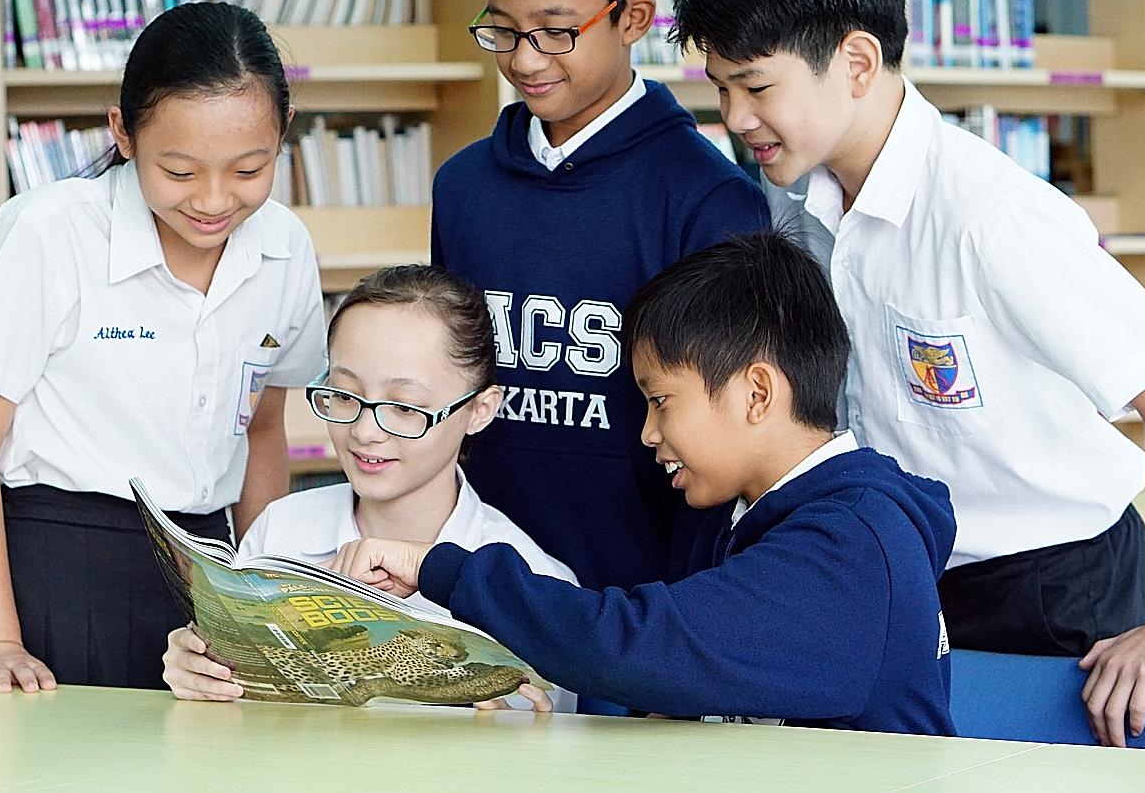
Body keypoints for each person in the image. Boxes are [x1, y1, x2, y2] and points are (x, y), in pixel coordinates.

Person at [673, 0, 1145, 747]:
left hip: (1063, 594)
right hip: (916, 578)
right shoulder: (800, 203)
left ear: (858, 61)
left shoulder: (989, 215)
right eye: (721, 89)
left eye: (757, 87)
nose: (734, 119)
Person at [330, 234, 957, 735]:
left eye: (660, 402)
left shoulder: (852, 549)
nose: (648, 434)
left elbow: (639, 644)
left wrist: (442, 571)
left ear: (756, 393)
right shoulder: (734, 515)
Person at [0, 2, 327, 693]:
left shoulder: (285, 247)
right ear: (122, 131)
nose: (213, 200)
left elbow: (264, 430)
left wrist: (260, 606)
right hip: (61, 568)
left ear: (283, 134)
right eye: (179, 171)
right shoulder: (50, 231)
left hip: (209, 572)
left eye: (247, 169)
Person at [432, 0, 769, 610]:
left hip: (638, 616)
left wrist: (678, 629)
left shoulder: (709, 203)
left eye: (555, 33)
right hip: (477, 602)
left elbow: (727, 456)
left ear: (634, 18)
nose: (523, 59)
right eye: (503, 29)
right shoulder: (462, 189)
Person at [162, 264, 577, 710]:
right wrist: (200, 677)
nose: (364, 431)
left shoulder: (535, 584)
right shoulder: (280, 533)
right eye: (343, 394)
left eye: (403, 406)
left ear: (480, 409)